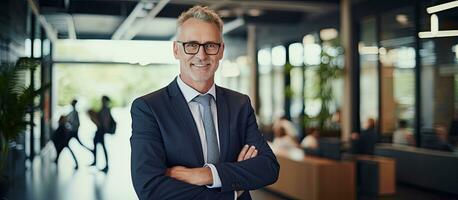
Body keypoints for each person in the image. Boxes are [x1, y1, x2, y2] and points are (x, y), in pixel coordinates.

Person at [130, 6, 279, 200]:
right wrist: (233, 189)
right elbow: (150, 188)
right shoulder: (149, 109)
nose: (201, 55)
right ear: (176, 50)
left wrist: (206, 175)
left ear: (221, 50)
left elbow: (268, 167)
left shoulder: (239, 104)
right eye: (191, 45)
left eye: (210, 45)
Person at [89, 96, 114, 173]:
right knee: (99, 145)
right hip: (100, 130)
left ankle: (103, 164)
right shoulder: (104, 108)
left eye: (103, 100)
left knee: (100, 146)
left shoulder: (105, 109)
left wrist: (103, 128)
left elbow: (105, 121)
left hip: (101, 130)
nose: (101, 101)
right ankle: (98, 162)